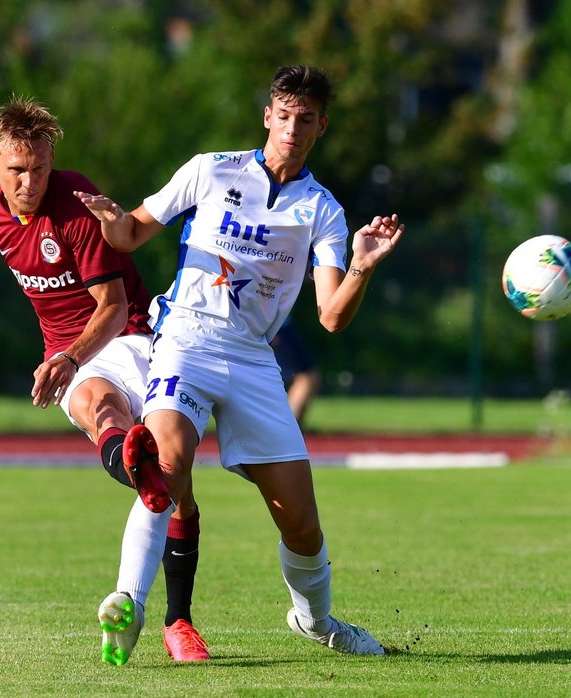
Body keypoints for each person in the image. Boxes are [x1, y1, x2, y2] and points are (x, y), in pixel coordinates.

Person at [75, 64, 403, 664]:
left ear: (321, 126)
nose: (293, 128)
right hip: (185, 341)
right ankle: (129, 605)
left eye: (306, 119)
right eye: (284, 115)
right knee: (164, 464)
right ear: (267, 117)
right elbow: (130, 235)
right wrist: (112, 220)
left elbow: (331, 315)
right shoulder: (210, 170)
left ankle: (317, 620)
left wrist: (362, 263)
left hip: (254, 362)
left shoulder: (323, 211)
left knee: (300, 526)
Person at [0, 95, 210, 662]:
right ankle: (136, 467)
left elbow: (113, 302)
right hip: (74, 357)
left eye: (40, 168)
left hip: (127, 337)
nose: (30, 182)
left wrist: (70, 357)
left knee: (183, 495)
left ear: (53, 161)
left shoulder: (76, 206)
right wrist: (67, 358)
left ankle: (178, 622)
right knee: (102, 412)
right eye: (17, 171)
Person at [270, 316, 320, 427]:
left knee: (309, 378)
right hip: (276, 329)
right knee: (306, 379)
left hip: (279, 327)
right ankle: (286, 428)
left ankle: (289, 428)